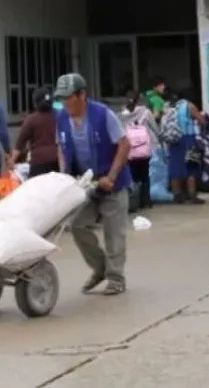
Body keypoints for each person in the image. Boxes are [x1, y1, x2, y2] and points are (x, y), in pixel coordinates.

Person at [54, 73, 131, 296]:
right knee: (77, 225)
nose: (66, 103)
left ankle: (116, 278)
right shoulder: (61, 118)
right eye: (62, 98)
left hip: (112, 181)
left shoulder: (103, 114)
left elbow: (124, 145)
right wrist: (63, 175)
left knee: (113, 233)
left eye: (69, 97)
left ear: (82, 95)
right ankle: (100, 268)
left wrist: (112, 176)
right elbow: (61, 146)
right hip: (86, 182)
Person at [161, 81, 206, 204]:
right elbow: (201, 120)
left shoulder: (168, 106)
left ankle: (177, 194)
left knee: (175, 166)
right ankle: (192, 195)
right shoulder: (188, 105)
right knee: (191, 165)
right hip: (188, 139)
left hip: (174, 139)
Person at [119, 90, 160, 210]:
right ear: (139, 100)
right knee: (145, 175)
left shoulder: (121, 115)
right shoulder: (145, 112)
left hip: (130, 149)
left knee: (132, 175)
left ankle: (133, 201)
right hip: (144, 148)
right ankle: (145, 200)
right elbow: (155, 128)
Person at [13, 87, 59, 178]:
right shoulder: (59, 116)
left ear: (35, 104)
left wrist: (11, 161)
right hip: (57, 161)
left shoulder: (31, 119)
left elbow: (20, 144)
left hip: (38, 163)